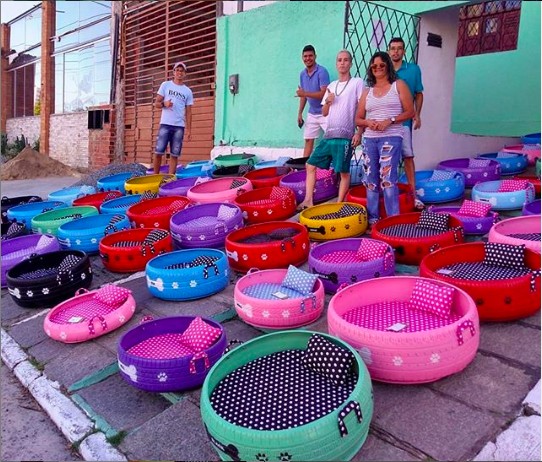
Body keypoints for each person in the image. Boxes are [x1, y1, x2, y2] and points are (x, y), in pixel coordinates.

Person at [296, 49, 365, 211]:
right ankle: (308, 200)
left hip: (346, 135)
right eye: (339, 60)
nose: (342, 63)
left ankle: (339, 204)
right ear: (336, 64)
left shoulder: (357, 83)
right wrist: (327, 102)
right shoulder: (332, 86)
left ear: (350, 63)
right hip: (329, 135)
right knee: (310, 164)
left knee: (343, 172)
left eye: (346, 60)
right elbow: (325, 112)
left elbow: (362, 108)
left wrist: (359, 132)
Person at [355, 51, 414, 227]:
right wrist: (367, 122)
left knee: (388, 177)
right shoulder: (367, 91)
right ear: (370, 69)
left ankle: (393, 221)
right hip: (370, 138)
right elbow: (358, 118)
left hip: (392, 136)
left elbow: (410, 111)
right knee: (370, 178)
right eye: (374, 66)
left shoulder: (399, 85)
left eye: (382, 65)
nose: (378, 68)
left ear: (388, 65)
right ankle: (374, 220)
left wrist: (391, 120)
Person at [388, 37, 425, 209]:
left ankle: (413, 194)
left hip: (404, 123)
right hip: (385, 122)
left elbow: (419, 93)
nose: (395, 51)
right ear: (389, 51)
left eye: (399, 48)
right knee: (388, 160)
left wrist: (417, 115)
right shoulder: (383, 70)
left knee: (408, 157)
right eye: (393, 48)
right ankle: (390, 196)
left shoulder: (413, 70)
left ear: (403, 51)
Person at [153, 61, 193, 175]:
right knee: (158, 152)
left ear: (185, 73)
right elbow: (156, 103)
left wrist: (189, 130)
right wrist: (164, 104)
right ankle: (155, 177)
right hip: (165, 124)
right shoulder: (165, 85)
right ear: (173, 72)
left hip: (179, 126)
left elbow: (189, 112)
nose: (179, 72)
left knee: (174, 154)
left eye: (182, 71)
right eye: (177, 70)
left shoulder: (188, 91)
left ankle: (170, 178)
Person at [296, 45, 331, 158]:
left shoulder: (322, 71)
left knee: (333, 139)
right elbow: (303, 96)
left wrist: (304, 93)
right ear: (302, 58)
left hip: (325, 112)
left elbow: (323, 94)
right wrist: (300, 113)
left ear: (315, 56)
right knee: (308, 140)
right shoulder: (302, 74)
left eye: (310, 55)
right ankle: (303, 167)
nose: (308, 58)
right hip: (312, 113)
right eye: (305, 56)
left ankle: (335, 169)